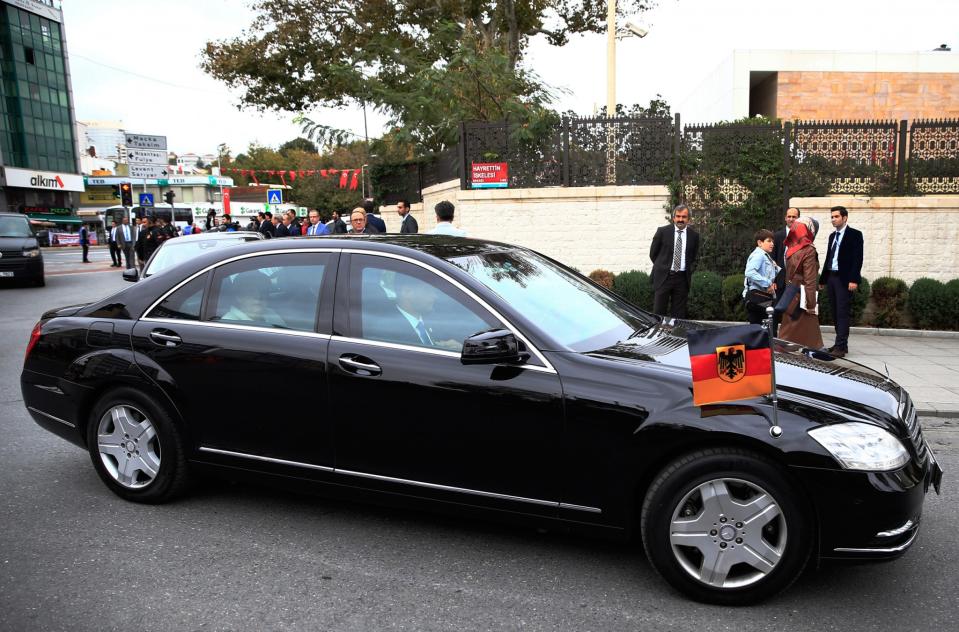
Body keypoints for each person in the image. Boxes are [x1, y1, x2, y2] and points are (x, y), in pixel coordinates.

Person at [819, 205, 864, 358]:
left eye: (836, 216)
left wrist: (853, 279)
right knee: (835, 312)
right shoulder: (832, 236)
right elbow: (828, 258)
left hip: (844, 279)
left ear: (845, 218)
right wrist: (823, 279)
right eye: (832, 217)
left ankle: (840, 346)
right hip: (831, 277)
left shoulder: (855, 235)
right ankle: (841, 345)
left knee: (842, 313)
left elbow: (858, 259)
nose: (833, 219)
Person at [778, 219, 824, 349]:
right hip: (803, 297)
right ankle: (814, 352)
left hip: (792, 294)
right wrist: (811, 304)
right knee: (802, 332)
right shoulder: (809, 250)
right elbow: (810, 280)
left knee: (790, 329)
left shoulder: (791, 248)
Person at [649, 204, 700, 319]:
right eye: (678, 216)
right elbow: (653, 254)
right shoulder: (662, 232)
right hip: (664, 277)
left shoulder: (694, 236)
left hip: (682, 279)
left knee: (679, 314)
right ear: (673, 218)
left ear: (689, 219)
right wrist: (662, 266)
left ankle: (676, 335)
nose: (680, 219)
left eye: (684, 217)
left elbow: (693, 257)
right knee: (658, 312)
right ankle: (657, 335)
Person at [742, 229, 779, 325]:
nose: (772, 244)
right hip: (758, 298)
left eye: (773, 241)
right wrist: (767, 283)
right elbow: (750, 272)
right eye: (769, 241)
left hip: (762, 298)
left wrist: (774, 266)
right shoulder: (759, 255)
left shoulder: (765, 256)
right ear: (759, 242)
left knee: (762, 329)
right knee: (759, 329)